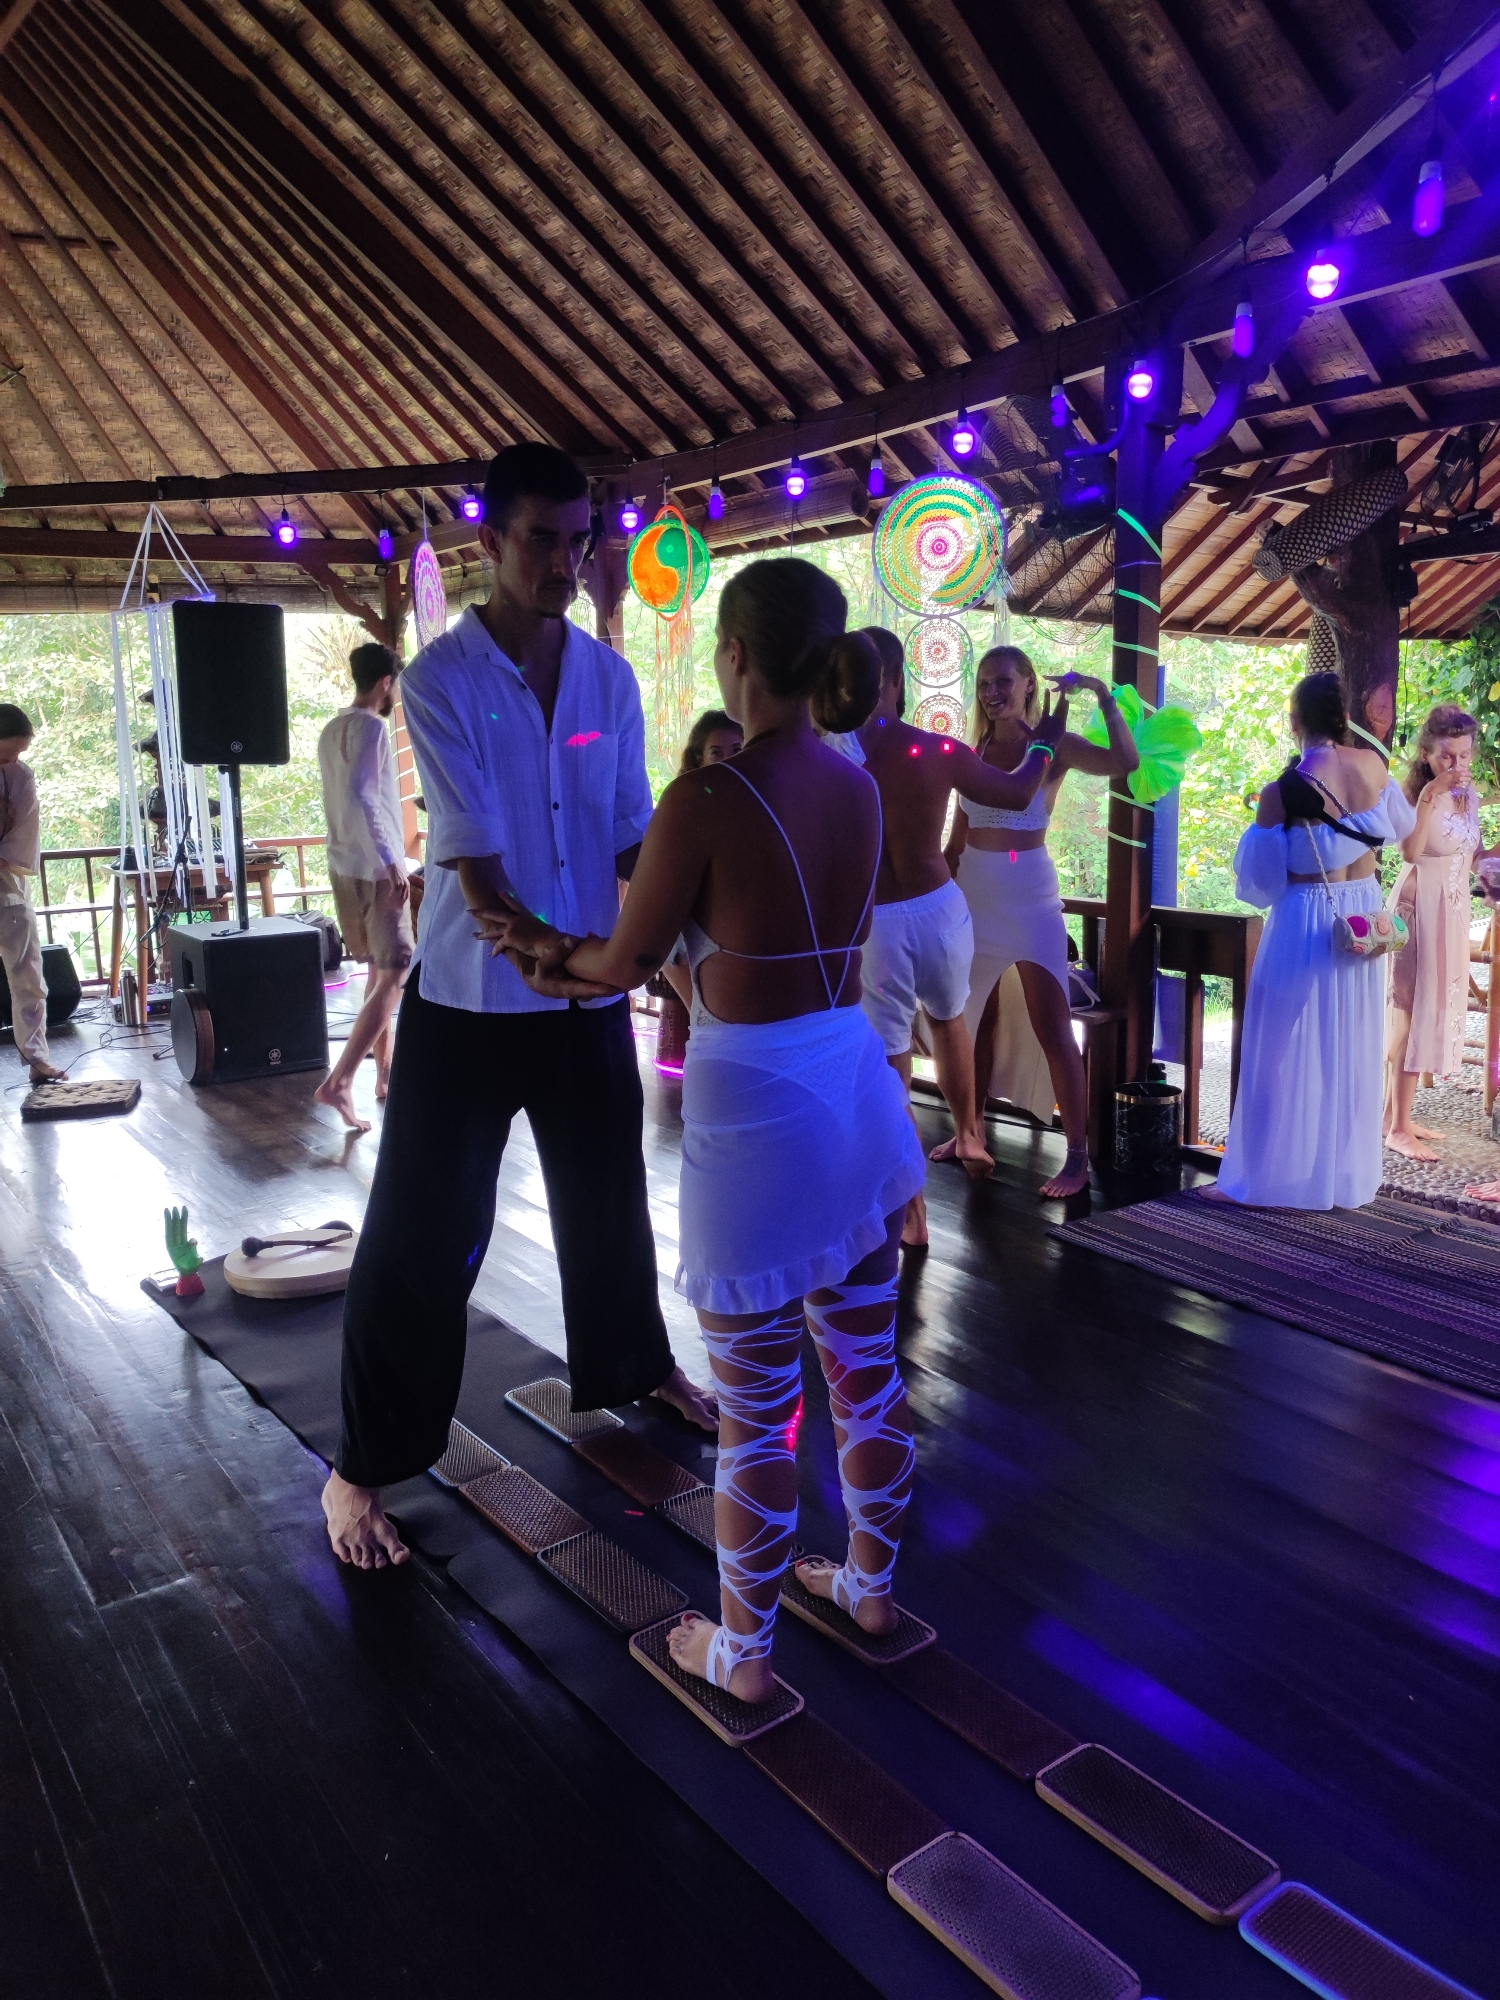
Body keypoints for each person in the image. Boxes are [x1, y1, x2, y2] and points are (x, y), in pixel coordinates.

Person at [503, 561, 928, 1701]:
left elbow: (624, 959)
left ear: (735, 654)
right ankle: (870, 1588)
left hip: (757, 1122)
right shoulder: (860, 786)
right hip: (855, 1092)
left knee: (757, 1412)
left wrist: (540, 951)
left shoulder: (707, 798)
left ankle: (740, 1657)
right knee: (866, 1378)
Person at [322, 443, 715, 1571]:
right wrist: (568, 954)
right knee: (422, 1232)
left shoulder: (610, 681)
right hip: (470, 1000)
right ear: (489, 541)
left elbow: (634, 837)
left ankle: (636, 1366)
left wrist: (700, 935)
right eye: (541, 539)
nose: (563, 562)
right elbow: (477, 865)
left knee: (608, 1200)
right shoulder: (440, 679)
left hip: (585, 995)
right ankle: (359, 1466)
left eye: (578, 540)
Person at [855, 628, 1067, 1245]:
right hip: (941, 910)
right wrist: (1046, 743)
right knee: (950, 1022)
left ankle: (912, 1205)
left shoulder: (837, 755)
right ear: (898, 679)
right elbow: (1018, 792)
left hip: (881, 921)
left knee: (892, 1053)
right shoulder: (937, 749)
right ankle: (969, 1132)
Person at [936, 647, 1138, 1199]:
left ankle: (1077, 1158)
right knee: (971, 1022)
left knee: (1054, 1028)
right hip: (973, 900)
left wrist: (1102, 695)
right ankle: (970, 1132)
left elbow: (1126, 762)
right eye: (983, 683)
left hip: (1031, 901)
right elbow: (955, 841)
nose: (991, 692)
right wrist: (934, 901)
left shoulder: (1054, 745)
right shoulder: (972, 752)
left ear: (1029, 683)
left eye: (1002, 680)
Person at [1215, 671, 1415, 1209]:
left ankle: (1259, 1175)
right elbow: (1402, 830)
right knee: (1350, 1043)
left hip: (1308, 918)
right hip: (1362, 916)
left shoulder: (1282, 791)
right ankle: (1340, 1175)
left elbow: (1260, 885)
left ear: (1294, 722)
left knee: (1271, 1046)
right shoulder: (1374, 767)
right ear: (1344, 718)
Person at [314, 641, 414, 1133]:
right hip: (376, 870)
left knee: (379, 972)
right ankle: (341, 1080)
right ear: (385, 683)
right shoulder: (373, 727)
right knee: (396, 972)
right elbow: (364, 793)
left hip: (345, 865)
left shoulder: (331, 729)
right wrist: (394, 860)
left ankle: (385, 1076)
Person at [1385, 705, 1483, 1162]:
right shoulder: (1416, 795)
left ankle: (1393, 1116)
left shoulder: (1469, 795)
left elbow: (1473, 857)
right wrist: (1430, 793)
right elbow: (1410, 851)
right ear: (1426, 753)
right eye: (1447, 755)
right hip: (1419, 906)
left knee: (1431, 1009)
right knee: (1412, 1011)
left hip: (1453, 908)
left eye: (1464, 755)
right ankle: (1397, 1128)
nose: (1456, 765)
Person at [0, 705, 64, 1085]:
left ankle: (37, 1059)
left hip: (5, 883)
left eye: (19, 752)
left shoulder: (20, 776)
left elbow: (23, 831)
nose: (13, 759)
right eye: (8, 750)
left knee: (28, 976)